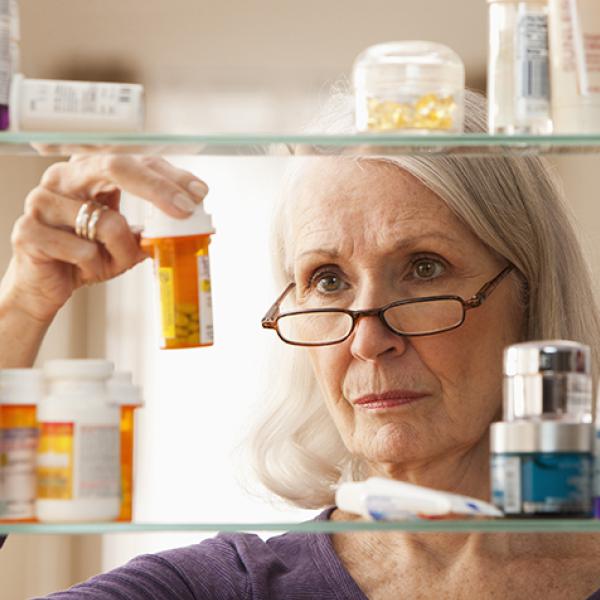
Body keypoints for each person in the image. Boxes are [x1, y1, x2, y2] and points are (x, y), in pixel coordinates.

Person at [1, 90, 600, 599]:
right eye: (328, 280)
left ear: (528, 291)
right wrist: (21, 307)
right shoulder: (222, 588)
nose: (368, 340)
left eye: (424, 268)